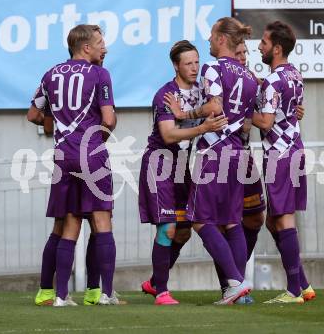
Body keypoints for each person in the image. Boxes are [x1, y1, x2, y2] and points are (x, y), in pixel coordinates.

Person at [167, 17, 258, 304]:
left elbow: (215, 106)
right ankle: (239, 288)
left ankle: (234, 283)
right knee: (232, 222)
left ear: (221, 39)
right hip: (238, 153)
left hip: (215, 151)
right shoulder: (249, 76)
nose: (207, 40)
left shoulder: (215, 68)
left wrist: (183, 114)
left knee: (198, 220)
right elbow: (246, 123)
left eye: (211, 35)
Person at [28, 24, 117, 306]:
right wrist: (97, 136)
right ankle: (104, 294)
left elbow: (33, 114)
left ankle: (58, 295)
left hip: (62, 155)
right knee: (101, 220)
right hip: (91, 152)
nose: (105, 47)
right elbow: (109, 119)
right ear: (86, 47)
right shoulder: (99, 73)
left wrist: (55, 125)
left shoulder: (51, 74)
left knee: (67, 222)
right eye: (101, 42)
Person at [138, 40, 228, 305]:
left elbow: (216, 106)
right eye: (188, 63)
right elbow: (167, 135)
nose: (194, 67)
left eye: (197, 62)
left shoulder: (202, 91)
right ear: (176, 65)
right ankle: (162, 291)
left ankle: (155, 281)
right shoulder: (166, 94)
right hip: (160, 163)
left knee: (184, 231)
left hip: (181, 165)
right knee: (167, 228)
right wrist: (202, 128)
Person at [251, 21, 315, 303]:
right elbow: (290, 111)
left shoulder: (275, 80)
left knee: (283, 217)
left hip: (280, 154)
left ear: (276, 48)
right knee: (273, 222)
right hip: (294, 149)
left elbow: (265, 121)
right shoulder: (294, 75)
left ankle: (293, 291)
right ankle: (303, 284)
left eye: (263, 43)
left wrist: (240, 112)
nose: (259, 47)